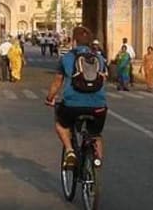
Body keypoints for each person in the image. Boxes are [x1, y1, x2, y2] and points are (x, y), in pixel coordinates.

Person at [45, 26, 107, 169]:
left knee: (61, 125)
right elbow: (103, 79)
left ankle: (70, 150)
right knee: (96, 135)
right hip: (98, 105)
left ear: (73, 42)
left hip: (72, 105)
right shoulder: (99, 58)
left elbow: (57, 82)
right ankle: (96, 165)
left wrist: (50, 98)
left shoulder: (66, 58)